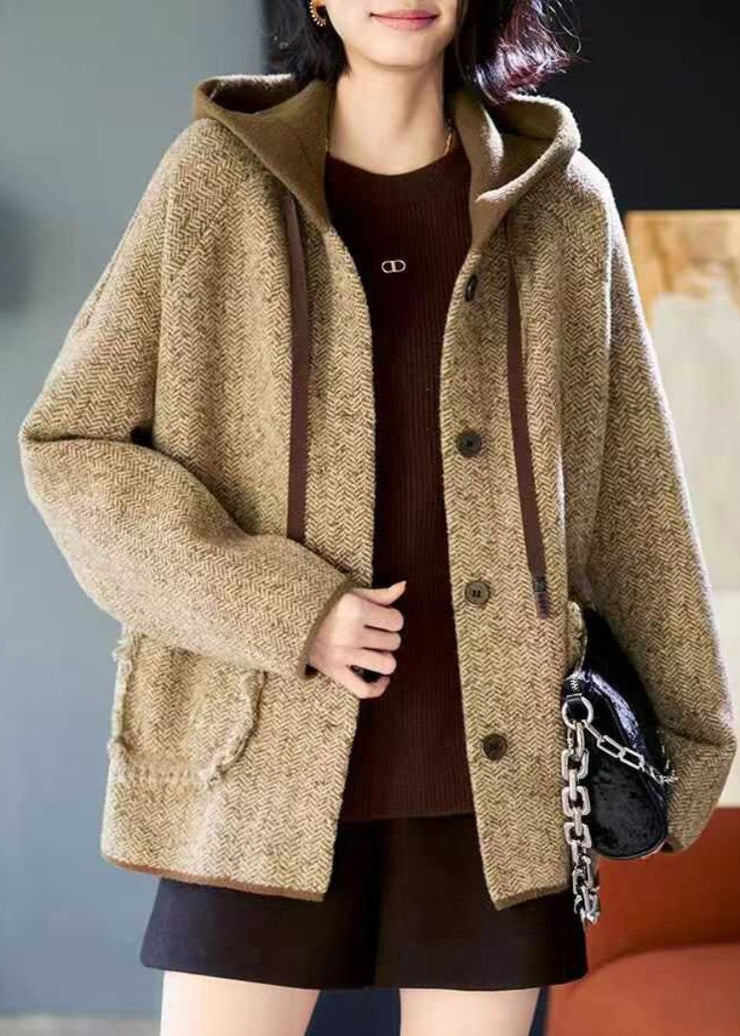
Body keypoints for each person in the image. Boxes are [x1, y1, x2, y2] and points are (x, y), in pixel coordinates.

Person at [17, 1, 737, 1034]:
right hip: (254, 765)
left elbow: (633, 495)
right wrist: (287, 607)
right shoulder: (216, 180)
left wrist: (690, 731)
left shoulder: (563, 207)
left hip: (498, 794)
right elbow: (72, 444)